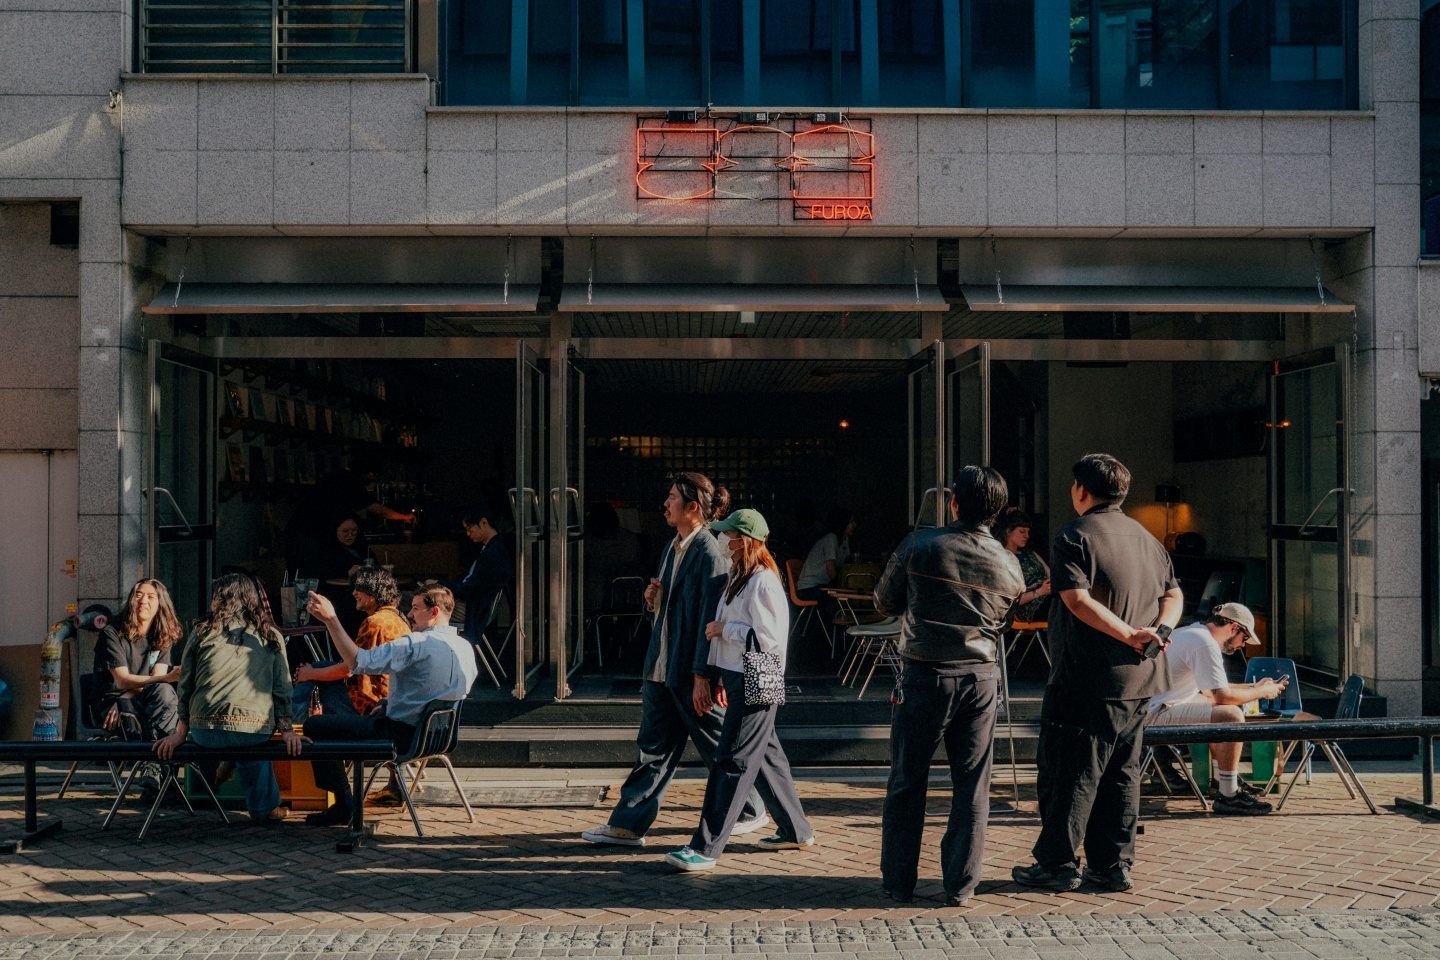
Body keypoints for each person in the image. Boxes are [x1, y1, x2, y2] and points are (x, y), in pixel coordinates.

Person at [1012, 454, 1183, 894]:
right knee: (1121, 774)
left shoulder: (1074, 535)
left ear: (1081, 491)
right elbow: (1174, 596)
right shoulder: (1147, 538)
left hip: (1086, 677)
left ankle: (1056, 863)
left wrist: (1129, 634)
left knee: (1070, 771)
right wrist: (1157, 633)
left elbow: (1075, 599)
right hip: (1142, 678)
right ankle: (1111, 866)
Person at [581, 473, 769, 847]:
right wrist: (654, 599)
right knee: (654, 748)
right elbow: (676, 609)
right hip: (662, 667)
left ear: (692, 507)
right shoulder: (673, 547)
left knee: (725, 744)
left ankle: (753, 810)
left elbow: (708, 617)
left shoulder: (709, 553)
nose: (664, 504)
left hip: (692, 671)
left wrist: (704, 675)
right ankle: (628, 825)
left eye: (670, 498)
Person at [873, 466, 1025, 906]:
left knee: (907, 780)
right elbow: (1004, 621)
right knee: (972, 784)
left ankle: (898, 882)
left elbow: (884, 600)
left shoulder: (920, 544)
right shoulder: (1009, 563)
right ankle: (961, 884)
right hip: (981, 677)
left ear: (955, 502)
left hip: (924, 673)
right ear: (998, 512)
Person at [664, 508, 814, 871]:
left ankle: (706, 847)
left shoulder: (762, 581)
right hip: (740, 676)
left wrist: (722, 631)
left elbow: (770, 639)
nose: (724, 542)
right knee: (765, 756)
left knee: (732, 760)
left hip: (753, 675)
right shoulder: (740, 578)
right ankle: (797, 830)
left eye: (729, 536)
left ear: (745, 541)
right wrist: (718, 674)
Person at [302, 584, 479, 826]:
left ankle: (343, 804)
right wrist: (389, 703)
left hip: (400, 737)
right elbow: (437, 692)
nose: (410, 614)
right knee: (351, 715)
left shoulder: (414, 645)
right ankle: (345, 802)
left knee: (315, 726)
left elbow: (357, 661)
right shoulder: (465, 648)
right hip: (437, 737)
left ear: (434, 612)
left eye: (416, 609)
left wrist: (331, 619)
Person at [153, 573, 303, 825]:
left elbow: (186, 683)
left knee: (238, 733)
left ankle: (229, 761)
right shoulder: (270, 636)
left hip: (204, 731)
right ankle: (265, 808)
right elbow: (282, 688)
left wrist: (180, 732)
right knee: (251, 742)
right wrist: (287, 729)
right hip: (251, 732)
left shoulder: (201, 632)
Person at [1145, 602, 1304, 815]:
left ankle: (1223, 781)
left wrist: (1253, 687)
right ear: (1233, 628)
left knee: (1218, 709)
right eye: (1245, 638)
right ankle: (1228, 794)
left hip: (1151, 707)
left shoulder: (1194, 633)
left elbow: (1212, 692)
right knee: (1230, 714)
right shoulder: (1205, 644)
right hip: (1153, 714)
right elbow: (1223, 696)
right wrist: (1262, 692)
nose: (1243, 645)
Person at [291, 566, 409, 719]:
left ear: (372, 591)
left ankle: (295, 726)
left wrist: (309, 674)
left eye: (358, 589)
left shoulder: (375, 623)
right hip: (390, 695)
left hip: (370, 703)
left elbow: (350, 668)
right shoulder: (398, 618)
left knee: (314, 681)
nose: (354, 593)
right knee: (320, 667)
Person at [91, 578, 184, 741]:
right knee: (164, 696)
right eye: (138, 595)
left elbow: (157, 683)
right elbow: (122, 681)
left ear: (160, 604)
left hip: (137, 699)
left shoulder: (162, 636)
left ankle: (156, 757)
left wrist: (128, 696)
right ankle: (160, 758)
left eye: (150, 597)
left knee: (165, 692)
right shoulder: (111, 633)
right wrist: (169, 677)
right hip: (112, 704)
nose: (143, 601)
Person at [440, 504, 514, 645]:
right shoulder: (491, 548)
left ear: (483, 522)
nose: (468, 533)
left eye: (469, 528)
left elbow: (469, 590)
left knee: (411, 603)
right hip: (473, 606)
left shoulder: (493, 554)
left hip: (470, 609)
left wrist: (439, 583)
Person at [994, 509, 1051, 622]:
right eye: (1022, 531)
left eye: (1028, 532)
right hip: (1029, 606)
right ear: (1008, 531)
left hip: (1048, 596)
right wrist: (1039, 592)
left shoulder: (1030, 553)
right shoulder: (1001, 558)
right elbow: (1008, 600)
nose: (1027, 536)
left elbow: (1050, 574)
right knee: (1062, 608)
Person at [795, 507, 857, 601]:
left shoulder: (844, 540)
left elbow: (846, 564)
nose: (854, 525)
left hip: (822, 585)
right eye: (851, 522)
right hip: (810, 587)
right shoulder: (831, 538)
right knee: (841, 597)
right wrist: (841, 585)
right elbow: (830, 569)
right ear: (842, 522)